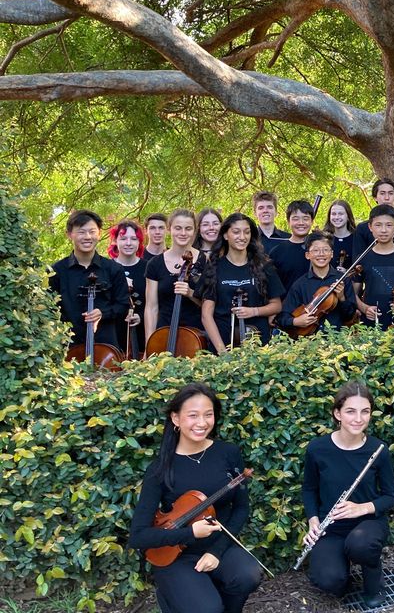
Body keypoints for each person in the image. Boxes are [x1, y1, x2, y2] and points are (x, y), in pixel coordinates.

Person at [128, 382, 262, 613]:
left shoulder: (228, 453)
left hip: (218, 545)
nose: (202, 423)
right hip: (175, 554)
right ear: (176, 419)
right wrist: (190, 533)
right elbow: (138, 536)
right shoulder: (160, 468)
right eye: (193, 415)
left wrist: (216, 552)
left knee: (247, 575)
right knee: (206, 609)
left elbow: (241, 508)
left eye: (208, 415)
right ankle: (172, 599)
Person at [300, 381, 394, 609]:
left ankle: (373, 577)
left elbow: (390, 497)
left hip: (368, 524)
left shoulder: (378, 450)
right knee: (329, 581)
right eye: (350, 411)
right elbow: (309, 489)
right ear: (337, 414)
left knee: (361, 544)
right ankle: (343, 568)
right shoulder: (317, 449)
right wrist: (313, 521)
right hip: (331, 527)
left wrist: (361, 508)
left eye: (365, 412)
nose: (358, 419)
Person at [201, 213, 284, 352]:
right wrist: (222, 352)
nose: (242, 237)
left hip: (258, 345)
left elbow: (276, 306)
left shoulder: (264, 265)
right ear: (226, 235)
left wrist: (254, 311)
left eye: (247, 232)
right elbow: (206, 315)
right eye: (236, 232)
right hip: (223, 341)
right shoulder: (214, 267)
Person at [49, 210, 130, 350]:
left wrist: (103, 313)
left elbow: (123, 305)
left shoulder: (114, 269)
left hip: (106, 346)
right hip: (68, 345)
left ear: (99, 234)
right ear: (69, 234)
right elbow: (49, 310)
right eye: (81, 232)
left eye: (92, 231)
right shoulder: (57, 271)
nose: (87, 237)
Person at [276, 232, 358, 334]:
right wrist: (295, 321)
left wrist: (342, 298)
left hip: (336, 340)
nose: (321, 254)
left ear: (332, 254)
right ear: (307, 255)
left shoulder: (343, 280)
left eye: (325, 250)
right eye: (316, 250)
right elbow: (282, 317)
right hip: (308, 341)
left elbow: (350, 315)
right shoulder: (300, 284)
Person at [145, 210, 206, 344]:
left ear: (195, 231)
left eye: (188, 228)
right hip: (164, 333)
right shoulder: (155, 264)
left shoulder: (205, 261)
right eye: (178, 228)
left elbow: (211, 305)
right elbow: (151, 307)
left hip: (197, 336)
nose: (183, 233)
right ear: (169, 229)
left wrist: (190, 293)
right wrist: (149, 343)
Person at [352, 179, 394, 265]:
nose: (387, 198)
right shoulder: (362, 228)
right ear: (375, 197)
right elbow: (358, 259)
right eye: (382, 193)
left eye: (391, 193)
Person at [108, 219, 146, 355]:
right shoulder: (107, 268)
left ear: (139, 242)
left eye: (134, 239)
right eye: (123, 238)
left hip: (142, 335)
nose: (128, 243)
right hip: (113, 334)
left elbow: (157, 302)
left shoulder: (148, 267)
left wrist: (141, 316)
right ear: (115, 241)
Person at [267, 200, 315, 294]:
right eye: (295, 218)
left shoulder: (320, 251)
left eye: (305, 218)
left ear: (312, 221)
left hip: (316, 305)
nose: (301, 223)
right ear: (288, 222)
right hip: (286, 306)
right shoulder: (277, 252)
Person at [323, 200, 357, 270]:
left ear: (348, 217)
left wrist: (347, 273)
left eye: (341, 214)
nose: (337, 217)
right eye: (333, 214)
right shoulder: (324, 239)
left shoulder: (356, 239)